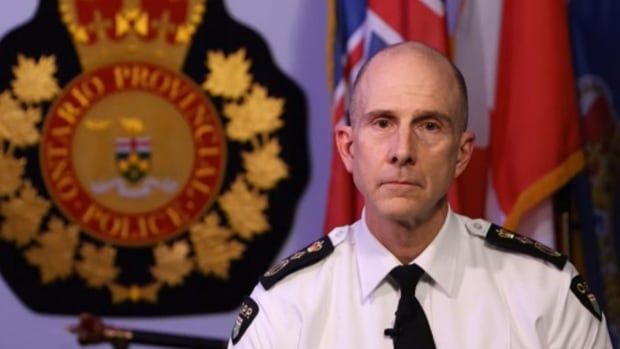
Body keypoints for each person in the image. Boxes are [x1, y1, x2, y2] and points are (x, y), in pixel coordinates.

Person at [227, 42, 612, 348]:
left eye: (429, 126)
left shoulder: (546, 293)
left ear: (461, 154)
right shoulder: (285, 306)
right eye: (382, 123)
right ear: (348, 148)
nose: (403, 150)